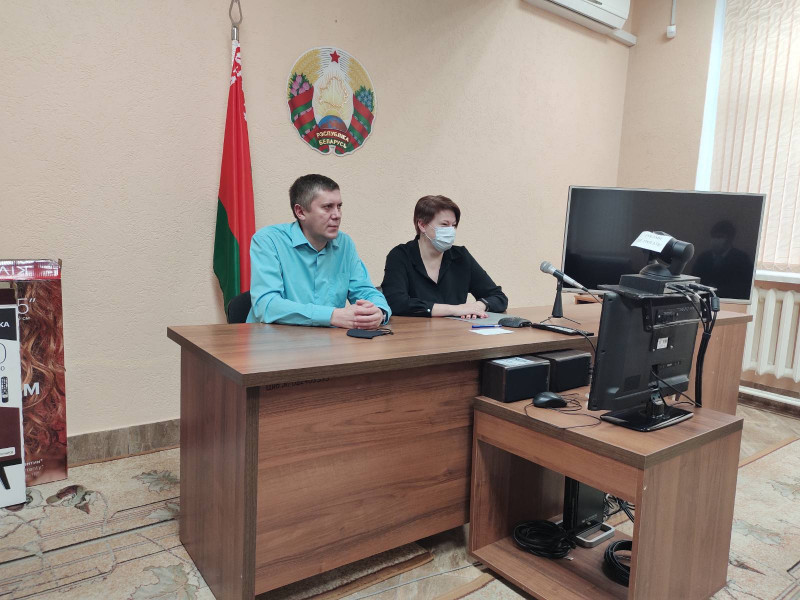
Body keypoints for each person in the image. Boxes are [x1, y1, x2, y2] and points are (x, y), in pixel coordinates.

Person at [247, 174, 390, 329]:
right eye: (327, 207)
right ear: (300, 212)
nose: (337, 215)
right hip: (273, 340)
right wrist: (332, 316)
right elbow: (266, 305)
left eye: (339, 206)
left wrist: (379, 312)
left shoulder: (344, 244)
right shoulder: (268, 240)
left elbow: (365, 291)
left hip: (328, 340)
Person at [381, 195, 508, 318]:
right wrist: (454, 310)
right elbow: (396, 302)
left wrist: (479, 306)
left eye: (453, 225)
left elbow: (498, 297)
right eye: (444, 225)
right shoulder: (400, 255)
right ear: (422, 225)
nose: (450, 230)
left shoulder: (461, 256)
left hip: (454, 330)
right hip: (414, 331)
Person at [691, 220, 754, 300]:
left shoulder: (742, 259)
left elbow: (744, 288)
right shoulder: (703, 257)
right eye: (713, 237)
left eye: (720, 237)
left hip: (729, 301)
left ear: (730, 239)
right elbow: (693, 282)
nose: (715, 241)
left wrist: (718, 292)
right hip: (703, 300)